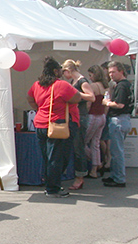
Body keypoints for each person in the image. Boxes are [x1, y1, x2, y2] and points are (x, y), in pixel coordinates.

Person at [27, 57, 82, 198]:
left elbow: (30, 98)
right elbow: (76, 98)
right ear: (55, 71)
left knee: (47, 157)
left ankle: (50, 182)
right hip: (57, 124)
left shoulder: (36, 85)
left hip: (40, 124)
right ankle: (53, 188)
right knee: (57, 158)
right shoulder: (61, 85)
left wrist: (39, 109)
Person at [61, 60, 95, 191]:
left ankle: (80, 176)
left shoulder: (82, 81)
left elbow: (91, 97)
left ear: (68, 71)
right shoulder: (74, 82)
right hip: (74, 115)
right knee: (74, 146)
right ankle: (78, 175)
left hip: (81, 116)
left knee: (78, 147)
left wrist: (76, 94)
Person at [102, 61, 133, 188]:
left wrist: (107, 103)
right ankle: (115, 175)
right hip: (124, 119)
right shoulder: (127, 84)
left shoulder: (121, 86)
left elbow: (120, 105)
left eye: (113, 72)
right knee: (116, 150)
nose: (111, 75)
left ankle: (119, 178)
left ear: (121, 71)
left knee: (117, 151)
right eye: (109, 72)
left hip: (119, 119)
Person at [85, 65, 108, 179]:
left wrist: (85, 113)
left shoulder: (92, 86)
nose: (90, 77)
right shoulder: (105, 86)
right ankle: (95, 167)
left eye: (90, 75)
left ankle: (96, 163)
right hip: (102, 116)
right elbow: (107, 103)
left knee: (82, 143)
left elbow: (89, 103)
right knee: (95, 143)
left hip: (92, 116)